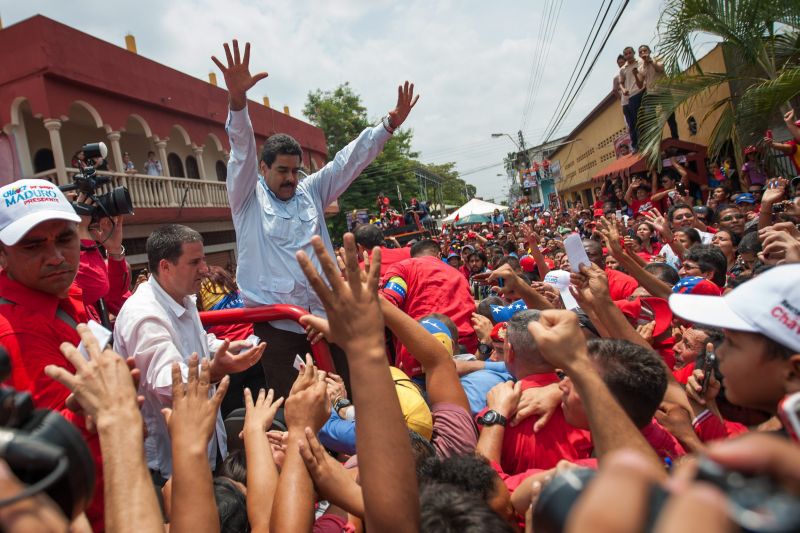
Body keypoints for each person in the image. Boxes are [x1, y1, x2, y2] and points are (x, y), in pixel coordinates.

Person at [215, 39, 418, 398]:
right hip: (280, 329)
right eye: (282, 171)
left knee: (354, 398)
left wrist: (388, 125)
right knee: (302, 408)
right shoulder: (246, 197)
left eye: (295, 170)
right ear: (263, 168)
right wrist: (237, 101)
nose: (291, 178)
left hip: (328, 319)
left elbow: (348, 161)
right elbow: (241, 148)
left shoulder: (311, 191)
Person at [113, 224, 265, 484]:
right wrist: (215, 371)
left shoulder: (183, 297)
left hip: (204, 446)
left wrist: (225, 347)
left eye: (203, 259)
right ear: (165, 267)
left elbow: (197, 343)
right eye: (195, 262)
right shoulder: (144, 315)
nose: (204, 269)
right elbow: (168, 383)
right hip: (172, 467)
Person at [0, 179, 107, 530]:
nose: (57, 257)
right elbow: (52, 450)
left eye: (64, 239)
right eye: (33, 245)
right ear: (2, 254)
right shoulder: (14, 331)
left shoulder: (60, 293)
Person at [381, 239, 478, 377]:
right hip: (465, 354)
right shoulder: (458, 274)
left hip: (422, 355)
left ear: (412, 257)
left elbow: (389, 300)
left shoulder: (403, 268)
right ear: (439, 255)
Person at [619, 46, 645, 151]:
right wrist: (623, 90)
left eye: (630, 53)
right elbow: (621, 83)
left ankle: (652, 140)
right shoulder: (623, 69)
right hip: (633, 96)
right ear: (624, 56)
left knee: (648, 118)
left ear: (634, 53)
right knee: (637, 122)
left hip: (644, 91)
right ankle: (640, 145)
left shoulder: (640, 62)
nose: (628, 55)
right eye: (626, 54)